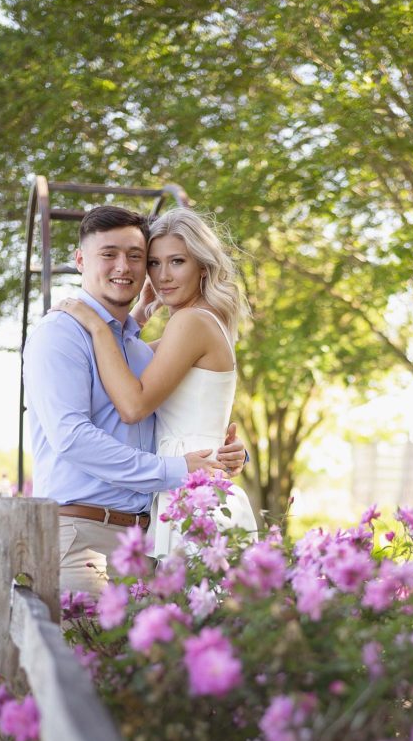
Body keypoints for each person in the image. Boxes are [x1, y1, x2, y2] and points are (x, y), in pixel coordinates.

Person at [24, 205, 247, 599]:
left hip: (145, 537)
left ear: (202, 265)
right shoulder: (61, 332)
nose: (126, 268)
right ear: (80, 260)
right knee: (77, 658)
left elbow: (150, 404)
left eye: (136, 257)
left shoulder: (136, 341)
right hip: (83, 535)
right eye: (108, 254)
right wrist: (176, 468)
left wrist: (229, 453)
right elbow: (72, 437)